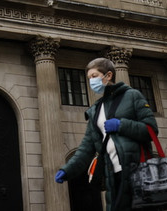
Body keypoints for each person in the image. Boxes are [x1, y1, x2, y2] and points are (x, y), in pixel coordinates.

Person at [54, 57, 157, 211]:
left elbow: (151, 130)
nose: (91, 82)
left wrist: (121, 125)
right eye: (89, 78)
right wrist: (67, 170)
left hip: (137, 171)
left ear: (108, 75)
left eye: (94, 76)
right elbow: (86, 148)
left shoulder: (132, 96)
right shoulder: (95, 110)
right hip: (112, 176)